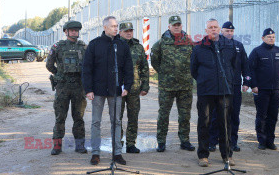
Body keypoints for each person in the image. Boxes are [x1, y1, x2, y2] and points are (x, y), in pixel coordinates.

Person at [82, 16, 133, 166]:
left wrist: (127, 87)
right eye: (112, 26)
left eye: (116, 26)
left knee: (116, 121)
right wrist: (88, 89)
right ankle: (95, 153)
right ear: (105, 27)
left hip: (116, 90)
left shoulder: (121, 45)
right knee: (96, 122)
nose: (116, 28)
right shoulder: (94, 44)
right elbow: (87, 68)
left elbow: (128, 68)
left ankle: (117, 153)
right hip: (97, 91)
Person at [190, 18, 237, 167]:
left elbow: (234, 66)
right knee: (204, 122)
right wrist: (204, 80)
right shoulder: (198, 48)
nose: (213, 30)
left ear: (219, 29)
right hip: (206, 91)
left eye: (215, 27)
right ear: (206, 30)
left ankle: (227, 155)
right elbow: (194, 70)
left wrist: (228, 80)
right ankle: (203, 155)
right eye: (210, 27)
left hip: (224, 90)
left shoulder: (229, 46)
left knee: (224, 123)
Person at [150, 15, 195, 152]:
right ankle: (161, 141)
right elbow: (155, 62)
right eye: (174, 25)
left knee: (185, 115)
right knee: (163, 114)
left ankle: (185, 140)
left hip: (185, 86)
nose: (176, 27)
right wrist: (164, 73)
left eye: (178, 25)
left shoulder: (189, 42)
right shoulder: (161, 43)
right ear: (169, 26)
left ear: (181, 26)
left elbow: (195, 60)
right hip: (167, 86)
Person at [46, 20, 87, 155]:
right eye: (72, 30)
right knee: (60, 117)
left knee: (79, 117)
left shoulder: (83, 47)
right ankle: (57, 146)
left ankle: (80, 145)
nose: (75, 32)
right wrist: (59, 74)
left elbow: (89, 65)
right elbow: (49, 65)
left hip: (78, 87)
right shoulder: (58, 47)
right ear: (66, 32)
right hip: (63, 86)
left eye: (76, 30)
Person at [208, 21, 250, 153]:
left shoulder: (238, 46)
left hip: (235, 85)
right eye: (227, 31)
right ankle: (212, 141)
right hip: (219, 86)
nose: (229, 33)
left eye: (231, 31)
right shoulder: (216, 45)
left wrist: (246, 82)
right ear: (222, 31)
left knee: (234, 114)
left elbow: (245, 65)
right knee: (216, 114)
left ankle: (233, 142)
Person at [248, 28, 279, 150]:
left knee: (273, 116)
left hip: (275, 90)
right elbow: (250, 69)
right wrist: (253, 85)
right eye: (268, 37)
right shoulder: (257, 52)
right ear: (263, 38)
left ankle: (270, 141)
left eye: (273, 37)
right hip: (261, 90)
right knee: (262, 116)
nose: (271, 38)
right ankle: (262, 140)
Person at [118, 22, 149, 154]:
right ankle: (117, 143)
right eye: (126, 31)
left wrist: (145, 85)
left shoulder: (138, 47)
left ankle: (131, 143)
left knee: (133, 116)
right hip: (118, 87)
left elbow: (144, 68)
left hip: (134, 88)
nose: (129, 33)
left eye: (130, 30)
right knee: (117, 117)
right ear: (120, 32)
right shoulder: (114, 45)